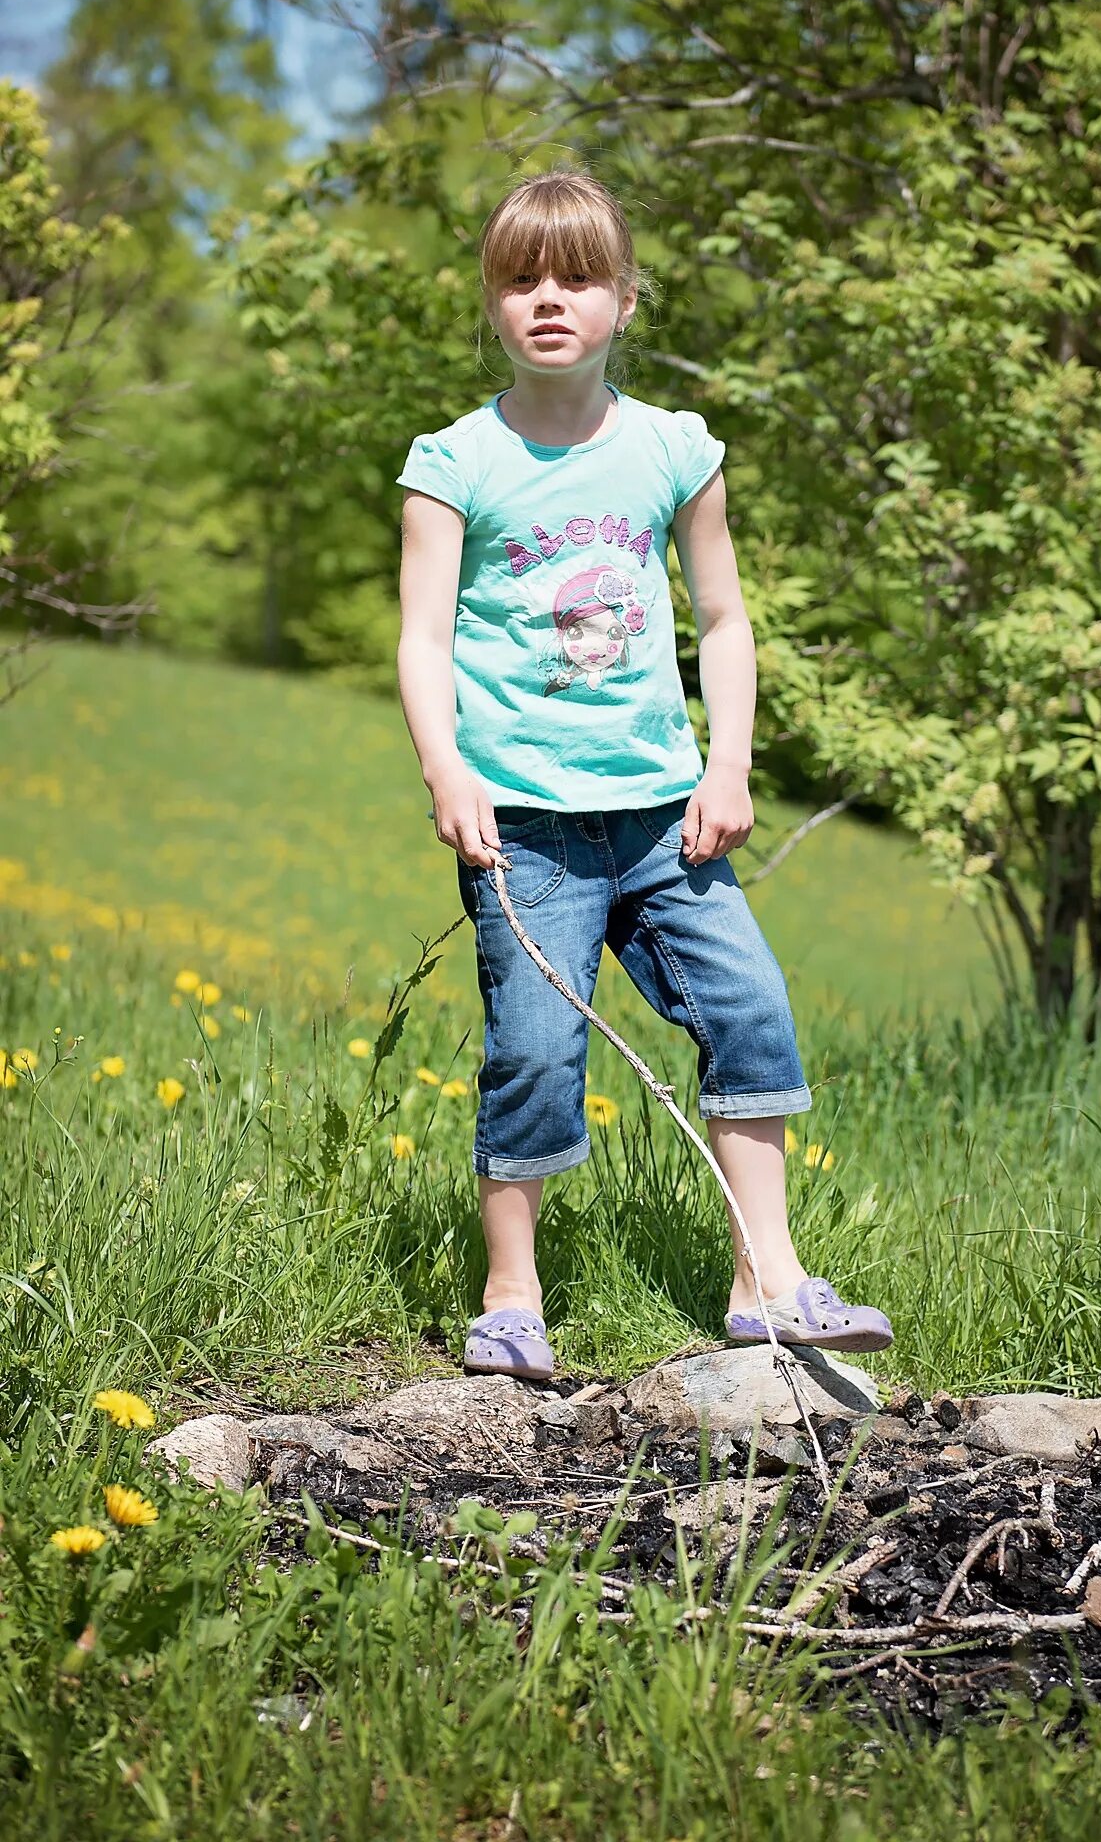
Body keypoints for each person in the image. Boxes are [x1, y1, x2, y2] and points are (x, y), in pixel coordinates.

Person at [394, 168, 892, 1382]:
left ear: (625, 298)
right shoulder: (454, 462)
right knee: (532, 1049)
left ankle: (768, 1280)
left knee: (749, 1010)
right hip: (526, 824)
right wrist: (446, 766)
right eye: (521, 280)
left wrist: (726, 763)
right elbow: (422, 635)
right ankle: (512, 1293)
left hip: (668, 816)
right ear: (493, 303)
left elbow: (721, 619)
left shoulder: (674, 449)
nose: (548, 301)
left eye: (576, 278)